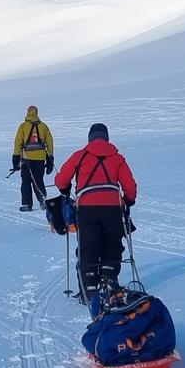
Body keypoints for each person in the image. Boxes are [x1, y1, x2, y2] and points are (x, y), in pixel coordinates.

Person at [55, 123, 138, 297]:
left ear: (90, 138)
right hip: (113, 209)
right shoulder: (117, 158)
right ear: (107, 138)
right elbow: (130, 186)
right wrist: (128, 200)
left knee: (88, 245)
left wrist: (65, 188)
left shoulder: (80, 156)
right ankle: (109, 280)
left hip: (86, 208)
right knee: (112, 244)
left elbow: (61, 181)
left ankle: (89, 287)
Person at [11, 105, 55, 212]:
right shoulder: (43, 126)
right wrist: (50, 159)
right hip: (40, 159)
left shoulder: (23, 127)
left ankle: (27, 204)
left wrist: (15, 159)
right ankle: (43, 201)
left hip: (26, 159)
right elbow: (50, 143)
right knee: (39, 180)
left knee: (26, 181)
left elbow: (18, 143)